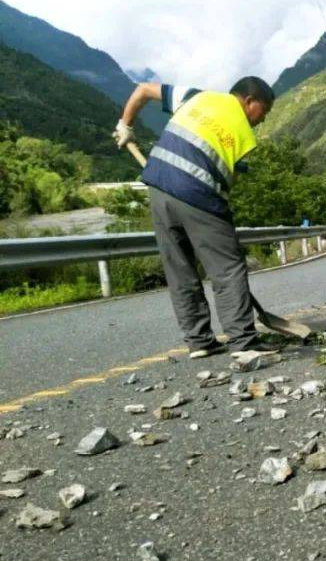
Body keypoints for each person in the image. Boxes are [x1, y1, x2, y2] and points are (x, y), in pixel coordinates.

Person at [112, 77, 278, 358]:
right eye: (266, 110)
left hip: (159, 187)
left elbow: (143, 89)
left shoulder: (195, 96)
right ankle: (243, 341)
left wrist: (125, 125)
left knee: (180, 268)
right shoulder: (244, 134)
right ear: (250, 101)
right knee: (228, 268)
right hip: (199, 196)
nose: (263, 119)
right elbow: (230, 182)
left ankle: (199, 341)